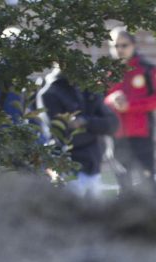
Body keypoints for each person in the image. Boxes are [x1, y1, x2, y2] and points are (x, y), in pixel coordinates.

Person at [37, 64, 119, 198]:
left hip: (93, 164)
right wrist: (95, 128)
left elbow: (113, 124)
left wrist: (85, 122)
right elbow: (62, 135)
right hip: (67, 166)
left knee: (95, 215)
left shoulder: (89, 90)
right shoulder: (49, 93)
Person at [105, 28, 156, 198]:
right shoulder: (105, 72)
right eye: (114, 45)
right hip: (116, 134)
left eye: (124, 45)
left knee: (147, 181)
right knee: (123, 183)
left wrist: (130, 105)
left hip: (141, 133)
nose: (119, 50)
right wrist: (111, 100)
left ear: (133, 45)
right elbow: (97, 100)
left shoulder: (148, 70)